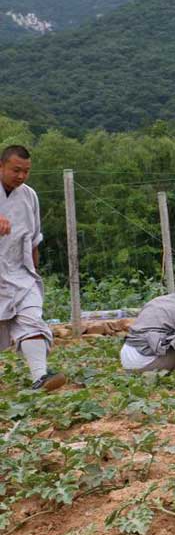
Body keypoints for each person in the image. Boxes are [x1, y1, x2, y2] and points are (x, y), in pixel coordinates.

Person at [0, 145, 66, 391]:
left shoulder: (29, 196)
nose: (21, 176)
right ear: (1, 166)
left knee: (32, 319)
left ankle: (40, 377)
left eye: (26, 171)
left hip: (19, 272)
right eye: (16, 170)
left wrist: (34, 272)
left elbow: (34, 238)